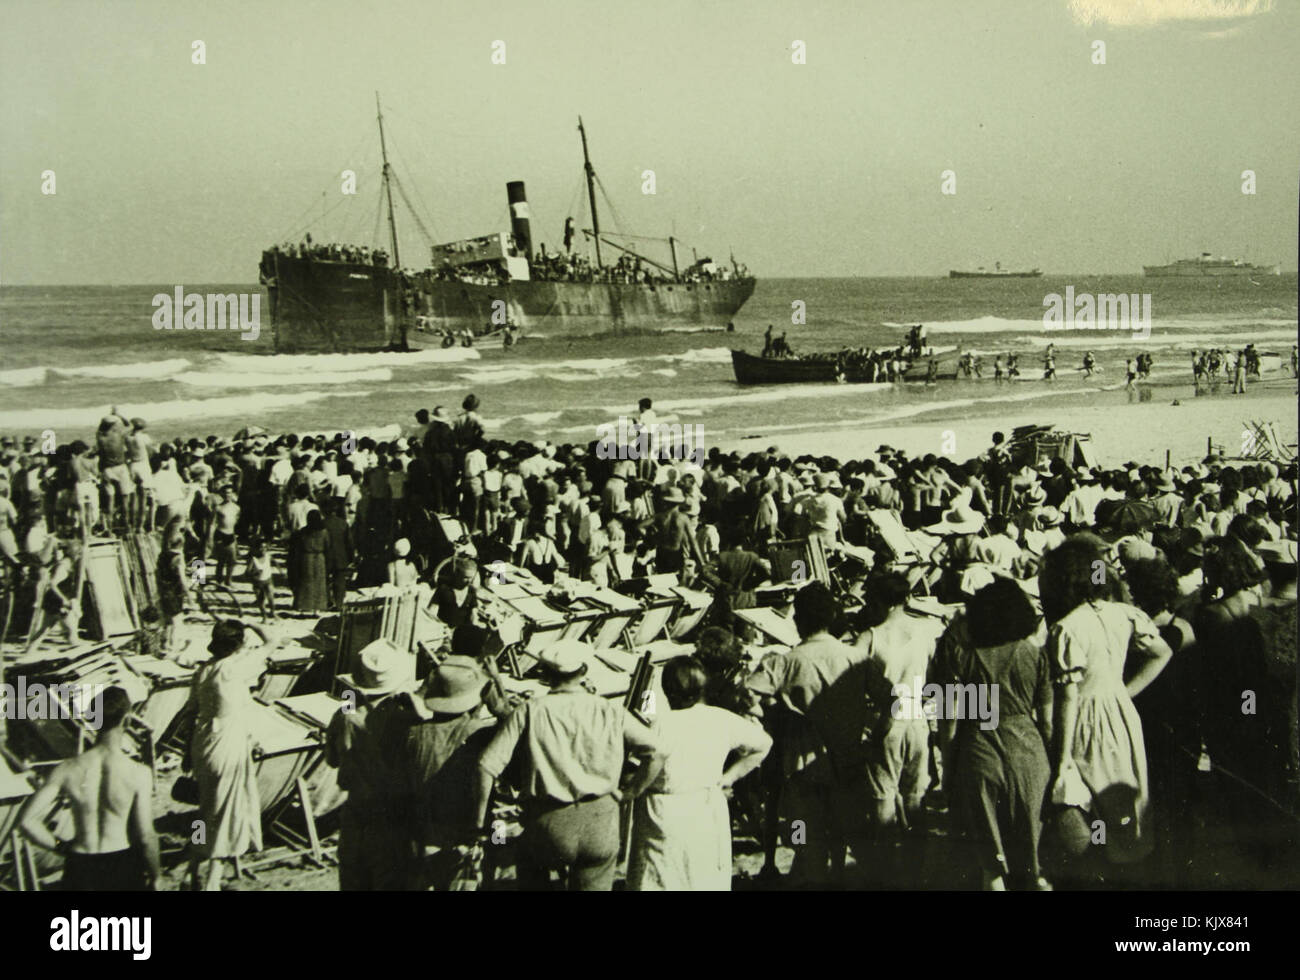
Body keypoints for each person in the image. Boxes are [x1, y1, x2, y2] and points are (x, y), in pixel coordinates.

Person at [475, 641, 665, 890]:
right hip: (600, 821)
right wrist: (630, 793)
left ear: (544, 674)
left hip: (548, 821)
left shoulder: (530, 710)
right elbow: (657, 751)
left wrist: (478, 824)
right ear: (584, 671)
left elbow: (487, 765)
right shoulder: (609, 711)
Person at [1039, 535, 1172, 871]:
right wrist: (1125, 693)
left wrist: (1063, 758)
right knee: (1127, 794)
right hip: (1121, 713)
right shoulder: (1124, 614)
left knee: (1092, 797)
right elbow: (1162, 652)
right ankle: (1131, 861)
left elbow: (1068, 697)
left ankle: (1103, 865)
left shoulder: (1066, 629)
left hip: (1085, 719)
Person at [746, 581, 869, 885]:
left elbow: (746, 693)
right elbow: (891, 697)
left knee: (803, 831)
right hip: (848, 758)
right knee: (840, 827)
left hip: (802, 764)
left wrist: (773, 711)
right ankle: (838, 874)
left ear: (799, 620)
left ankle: (807, 873)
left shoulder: (786, 662)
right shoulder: (856, 657)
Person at [941, 579, 1052, 890]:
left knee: (991, 865)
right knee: (1035, 863)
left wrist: (948, 770)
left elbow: (949, 721)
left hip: (980, 750)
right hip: (1029, 754)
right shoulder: (1034, 655)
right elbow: (1048, 722)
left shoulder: (965, 658)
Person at [626, 656, 771, 891]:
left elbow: (639, 755)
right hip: (705, 805)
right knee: (702, 875)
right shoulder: (719, 717)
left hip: (663, 810)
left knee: (660, 876)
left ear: (666, 690)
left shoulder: (659, 723)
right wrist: (728, 778)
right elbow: (763, 743)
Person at [18, 686, 160, 891]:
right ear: (127, 721)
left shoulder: (67, 769)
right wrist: (156, 876)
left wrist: (61, 847)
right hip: (120, 865)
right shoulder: (138, 773)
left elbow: (26, 822)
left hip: (80, 864)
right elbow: (146, 836)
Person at [186, 619, 273, 890]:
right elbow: (272, 642)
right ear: (238, 645)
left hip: (203, 742)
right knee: (226, 813)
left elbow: (190, 712)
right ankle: (213, 876)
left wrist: (185, 752)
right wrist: (252, 623)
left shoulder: (202, 671)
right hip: (228, 743)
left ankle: (192, 867)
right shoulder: (236, 668)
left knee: (205, 809)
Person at [325, 638, 418, 890]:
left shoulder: (345, 715)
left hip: (356, 812)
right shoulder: (406, 718)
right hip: (394, 814)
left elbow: (332, 760)